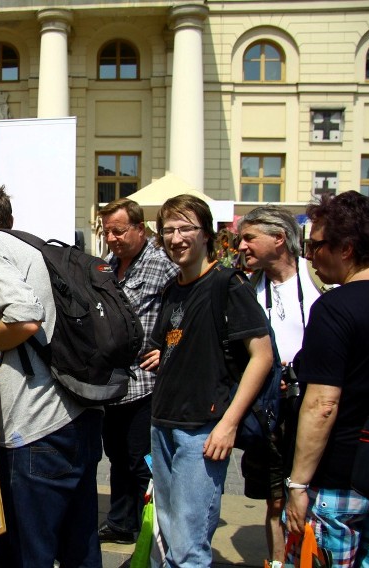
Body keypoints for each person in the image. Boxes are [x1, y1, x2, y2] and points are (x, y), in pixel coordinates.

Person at [0, 182, 103, 567]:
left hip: (36, 427)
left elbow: (24, 317)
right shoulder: (37, 248)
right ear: (11, 220)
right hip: (79, 415)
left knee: (28, 552)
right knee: (81, 545)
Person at [285, 192, 369, 566]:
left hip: (340, 477)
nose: (310, 256)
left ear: (346, 248)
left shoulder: (335, 306)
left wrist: (297, 484)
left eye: (316, 245)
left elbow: (322, 404)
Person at [145, 194, 273, 567]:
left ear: (206, 235)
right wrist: (165, 355)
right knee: (167, 541)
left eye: (186, 228)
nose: (176, 237)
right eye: (168, 230)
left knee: (188, 547)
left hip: (202, 431)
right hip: (164, 423)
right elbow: (175, 340)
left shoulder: (227, 284)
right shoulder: (173, 288)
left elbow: (262, 357)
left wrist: (228, 424)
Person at [236, 205, 321, 565]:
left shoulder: (319, 279)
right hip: (269, 408)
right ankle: (277, 561)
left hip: (314, 403)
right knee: (274, 498)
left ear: (279, 238)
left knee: (310, 494)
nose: (240, 246)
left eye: (249, 238)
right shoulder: (245, 287)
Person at [96, 198, 178, 545]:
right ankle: (121, 521)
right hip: (112, 382)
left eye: (118, 231)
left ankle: (153, 528)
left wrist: (172, 347)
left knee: (140, 459)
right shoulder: (107, 266)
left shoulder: (162, 264)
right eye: (107, 231)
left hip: (145, 382)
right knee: (116, 456)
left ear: (139, 229)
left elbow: (186, 307)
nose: (112, 238)